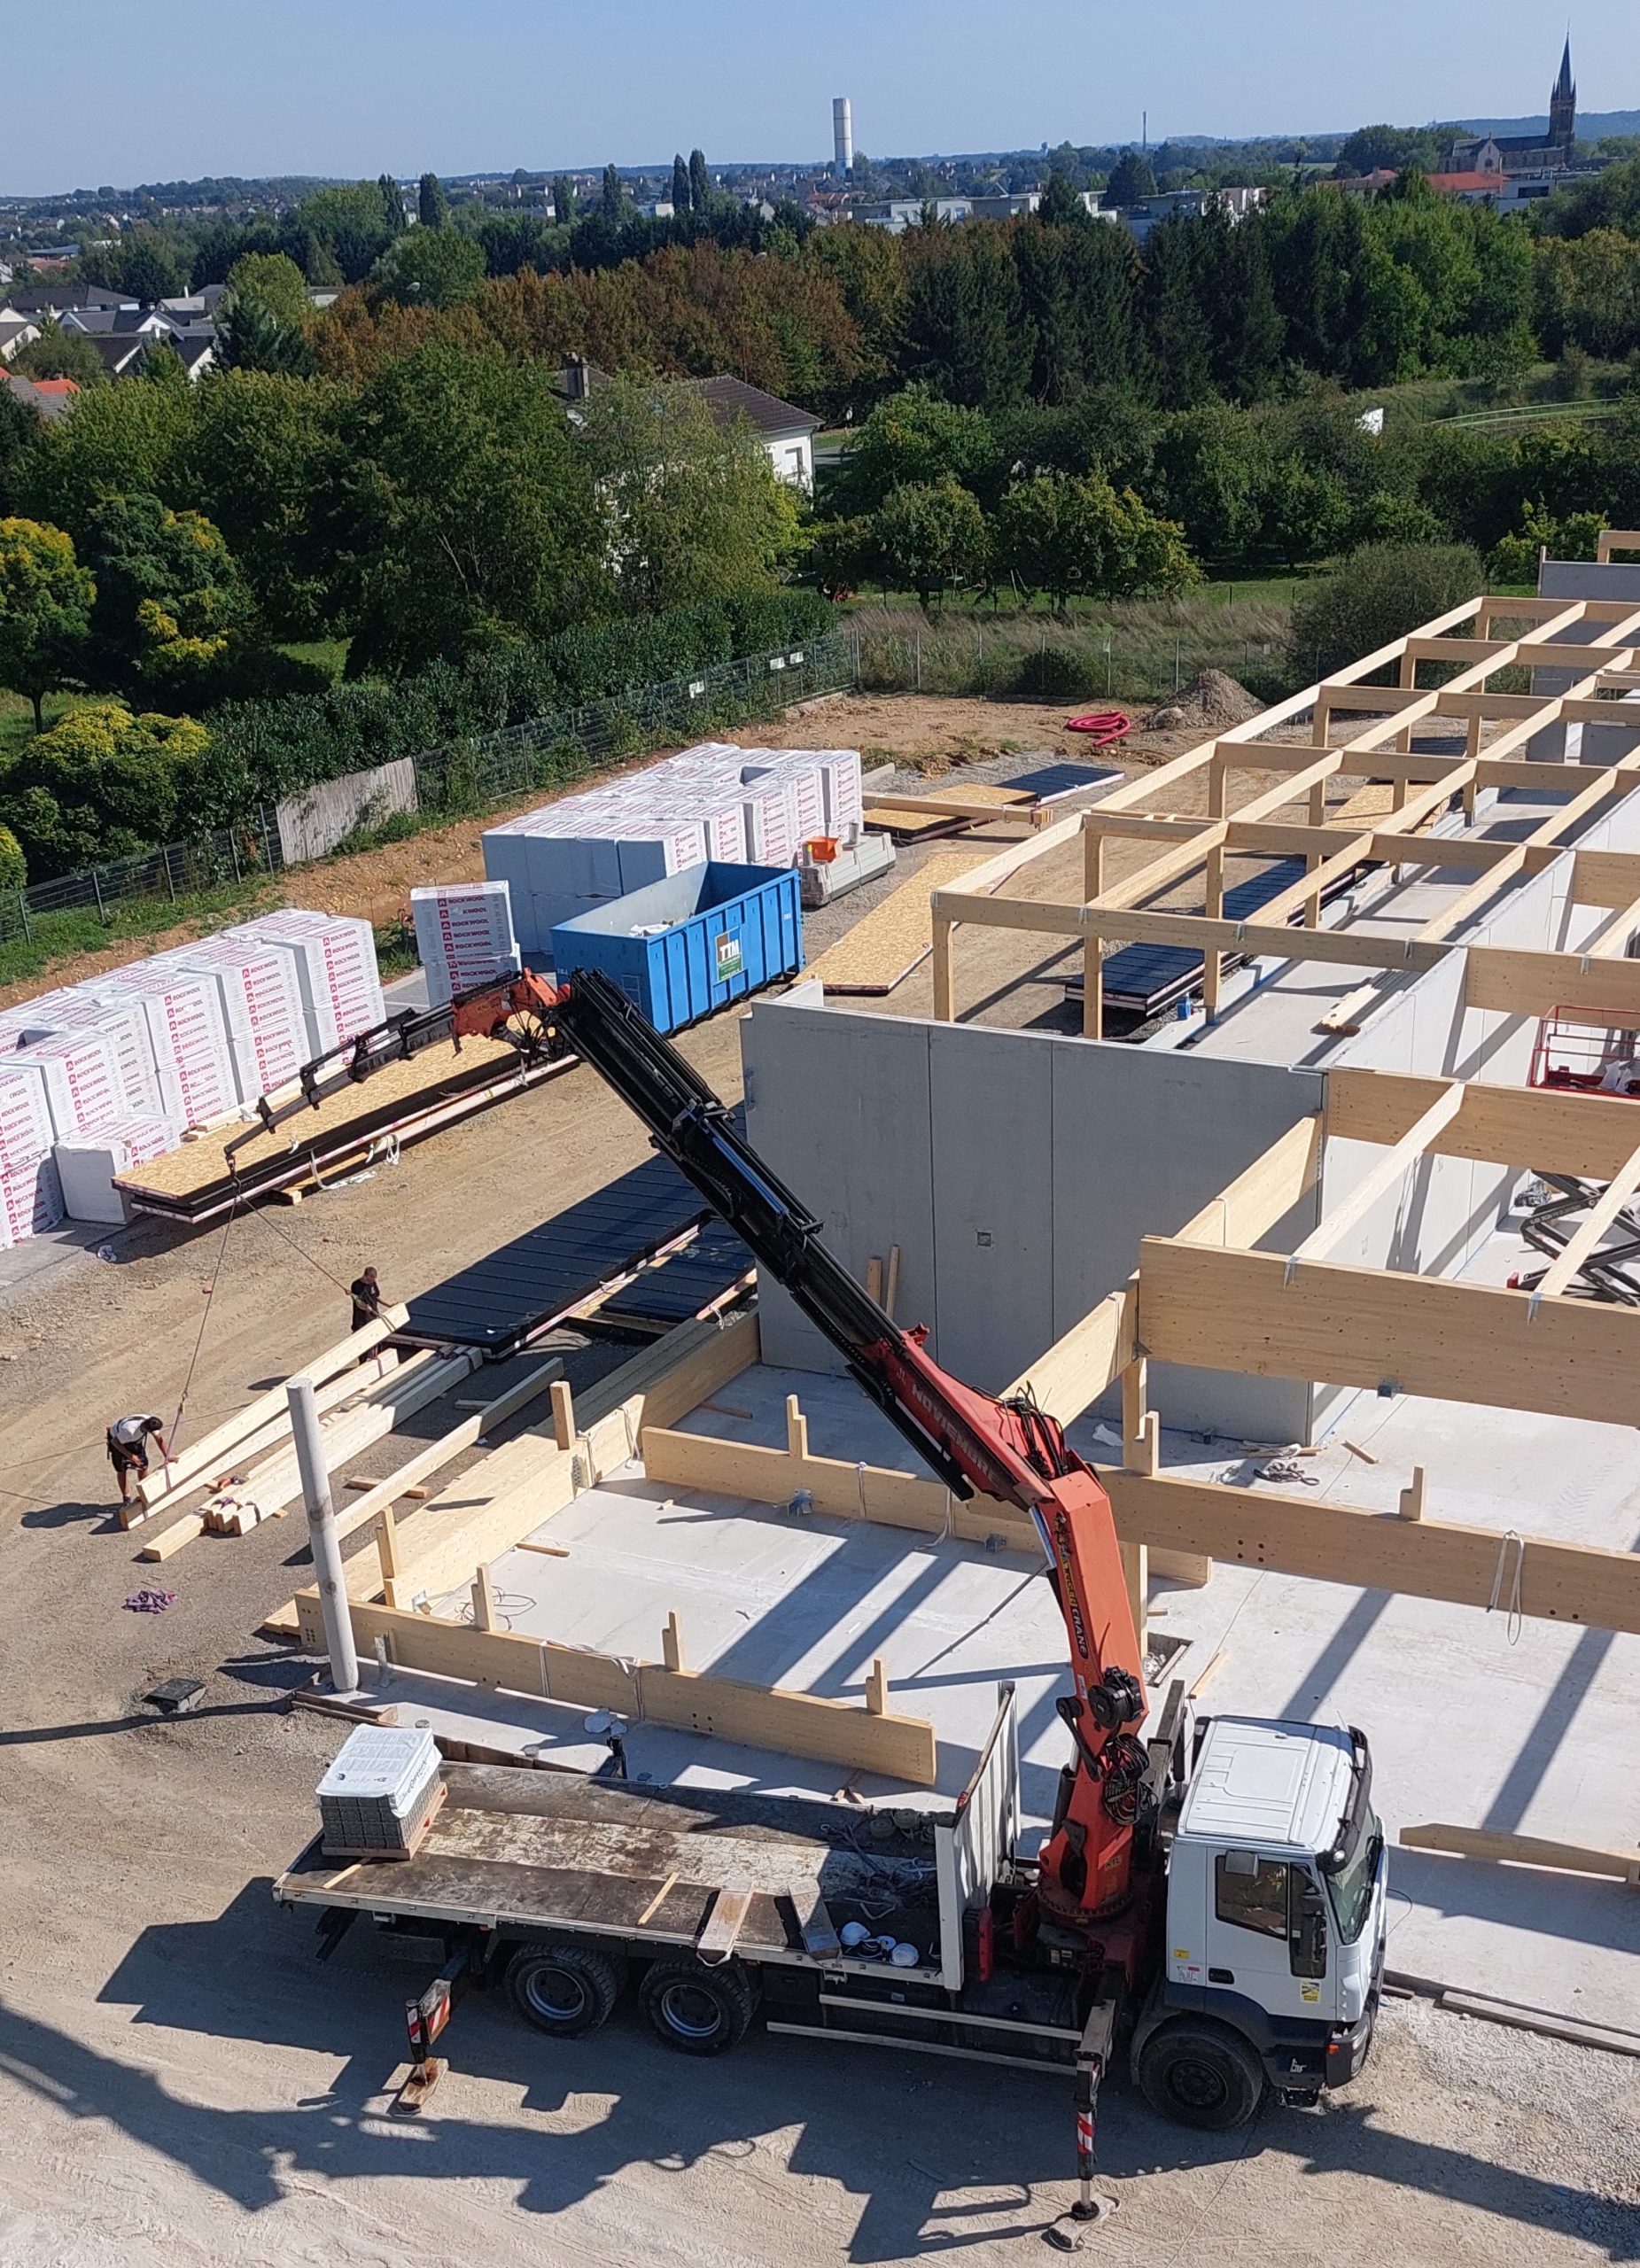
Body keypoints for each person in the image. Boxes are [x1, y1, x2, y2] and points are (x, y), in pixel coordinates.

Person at [106, 1412, 168, 1507]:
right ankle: (126, 1498)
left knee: (142, 1466)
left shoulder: (151, 1421)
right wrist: (131, 1456)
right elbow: (115, 1442)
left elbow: (159, 1440)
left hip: (134, 1440)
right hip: (118, 1441)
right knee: (122, 1468)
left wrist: (167, 1456)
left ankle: (146, 1491)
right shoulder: (129, 1430)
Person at [350, 1266, 384, 1335]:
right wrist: (365, 1307)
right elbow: (358, 1302)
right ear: (365, 1276)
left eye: (373, 1279)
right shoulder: (356, 1285)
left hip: (373, 1316)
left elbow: (376, 1296)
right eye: (370, 1279)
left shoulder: (372, 1283)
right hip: (361, 1321)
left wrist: (389, 1305)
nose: (372, 1281)